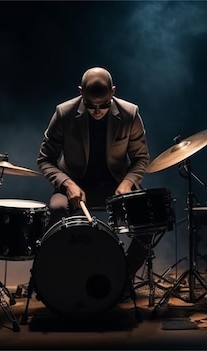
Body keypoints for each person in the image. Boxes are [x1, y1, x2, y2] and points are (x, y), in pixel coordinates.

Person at [36, 66, 151, 276]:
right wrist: (67, 184)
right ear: (81, 92)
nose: (97, 111)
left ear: (113, 92)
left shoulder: (130, 113)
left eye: (104, 105)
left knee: (148, 219)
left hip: (117, 185)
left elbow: (141, 158)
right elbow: (45, 159)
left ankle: (123, 276)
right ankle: (54, 275)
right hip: (74, 184)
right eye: (91, 105)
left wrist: (127, 183)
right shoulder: (64, 113)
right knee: (56, 210)